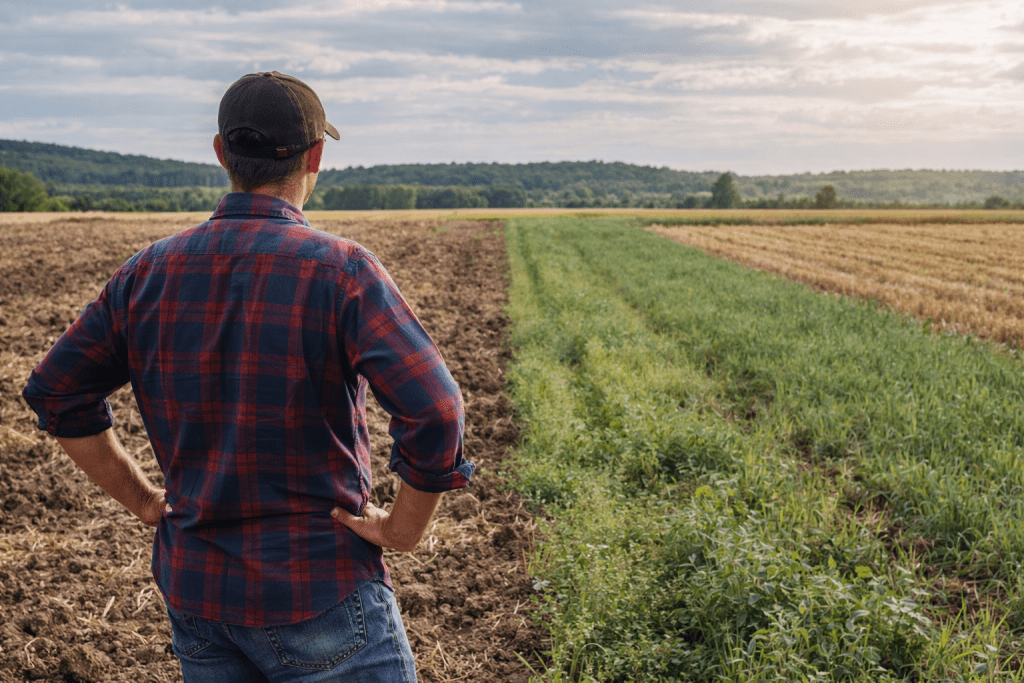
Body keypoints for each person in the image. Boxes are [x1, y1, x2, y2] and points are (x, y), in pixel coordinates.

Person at [22, 71, 473, 682]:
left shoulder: (146, 273)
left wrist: (146, 502)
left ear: (219, 153)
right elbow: (437, 409)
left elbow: (56, 391)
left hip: (198, 596)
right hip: (320, 590)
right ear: (315, 157)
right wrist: (402, 528)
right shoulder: (343, 272)